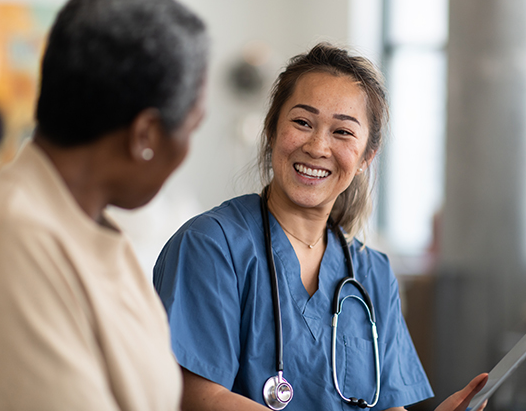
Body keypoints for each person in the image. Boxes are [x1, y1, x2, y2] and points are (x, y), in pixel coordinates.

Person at [153, 43, 487, 411]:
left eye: (342, 132)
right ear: (272, 130)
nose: (317, 146)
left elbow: (387, 405)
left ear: (366, 157)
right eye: (302, 122)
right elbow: (199, 397)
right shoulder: (210, 246)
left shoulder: (372, 272)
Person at [0, 0, 208, 411]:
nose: (188, 148)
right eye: (192, 127)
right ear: (145, 135)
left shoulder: (93, 229)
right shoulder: (16, 241)